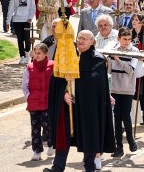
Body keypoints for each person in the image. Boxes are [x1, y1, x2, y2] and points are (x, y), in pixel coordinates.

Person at [44, 30, 115, 172]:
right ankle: (57, 167)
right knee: (63, 136)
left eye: (85, 38)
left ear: (92, 42)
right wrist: (63, 93)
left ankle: (90, 167)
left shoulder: (98, 60)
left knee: (89, 135)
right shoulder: (68, 58)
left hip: (88, 107)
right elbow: (56, 80)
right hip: (68, 105)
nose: (81, 41)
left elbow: (98, 86)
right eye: (79, 38)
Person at [107, 27, 139, 157]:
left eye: (129, 39)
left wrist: (118, 59)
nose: (127, 42)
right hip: (114, 87)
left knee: (125, 115)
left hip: (127, 88)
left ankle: (131, 140)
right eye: (124, 39)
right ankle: (118, 147)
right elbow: (108, 69)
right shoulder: (112, 49)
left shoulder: (134, 51)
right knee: (117, 117)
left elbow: (130, 70)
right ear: (118, 38)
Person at [21, 43, 55, 161]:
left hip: (47, 102)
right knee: (35, 128)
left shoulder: (52, 65)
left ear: (46, 54)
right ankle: (37, 151)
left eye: (39, 53)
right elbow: (24, 85)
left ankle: (51, 145)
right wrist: (28, 97)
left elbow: (56, 83)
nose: (37, 55)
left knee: (48, 126)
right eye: (35, 53)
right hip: (34, 103)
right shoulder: (29, 67)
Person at [6, 0, 36, 64]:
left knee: (27, 39)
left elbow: (32, 8)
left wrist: (30, 17)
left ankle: (27, 53)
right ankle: (22, 56)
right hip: (17, 20)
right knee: (20, 39)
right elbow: (11, 9)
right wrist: (8, 22)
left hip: (26, 20)